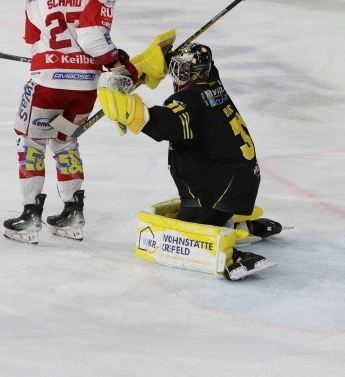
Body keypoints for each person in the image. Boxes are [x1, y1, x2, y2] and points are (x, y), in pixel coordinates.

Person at [96, 43, 281, 280]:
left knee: (178, 236)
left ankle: (230, 255)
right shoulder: (212, 81)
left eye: (183, 70)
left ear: (199, 71)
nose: (178, 75)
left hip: (215, 191)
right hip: (239, 181)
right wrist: (161, 61)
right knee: (194, 211)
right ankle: (240, 226)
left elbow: (161, 125)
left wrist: (124, 107)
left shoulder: (189, 99)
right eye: (175, 68)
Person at [3, 0, 139, 245]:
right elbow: (94, 37)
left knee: (31, 143)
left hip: (47, 84)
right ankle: (72, 214)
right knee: (65, 143)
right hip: (84, 87)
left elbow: (31, 39)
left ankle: (30, 217)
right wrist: (119, 67)